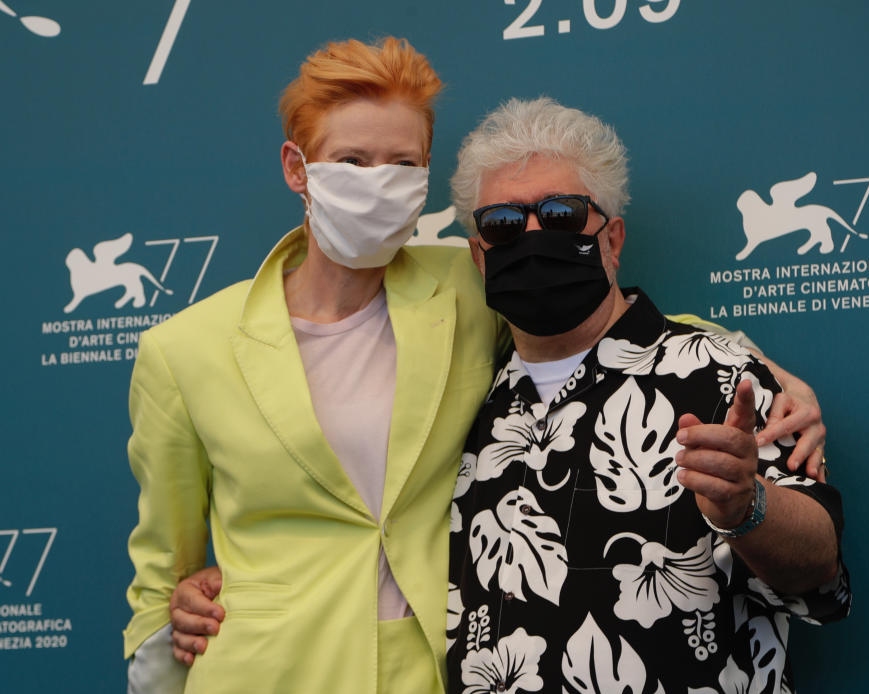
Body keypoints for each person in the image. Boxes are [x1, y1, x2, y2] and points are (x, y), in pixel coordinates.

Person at [130, 41, 828, 693]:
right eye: (351, 161)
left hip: (435, 671)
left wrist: (763, 370)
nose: (378, 183)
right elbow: (164, 568)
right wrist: (180, 606)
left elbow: (610, 325)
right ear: (296, 168)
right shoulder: (185, 349)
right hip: (268, 671)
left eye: (402, 165)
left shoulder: (462, 292)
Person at [443, 98, 851, 693]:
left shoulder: (723, 374)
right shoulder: (467, 408)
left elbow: (821, 573)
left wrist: (748, 507)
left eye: (561, 215)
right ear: (480, 257)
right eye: (504, 224)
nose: (532, 236)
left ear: (611, 239)